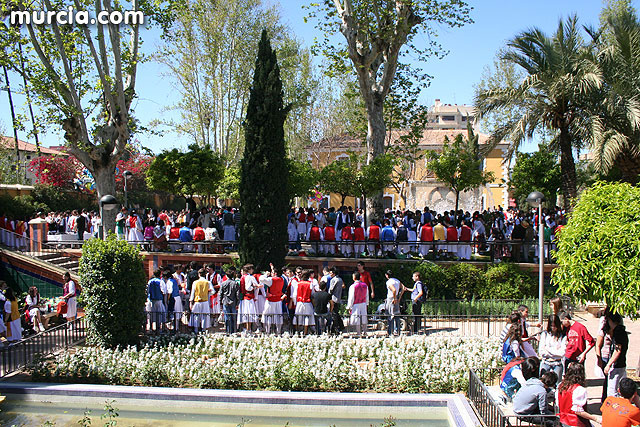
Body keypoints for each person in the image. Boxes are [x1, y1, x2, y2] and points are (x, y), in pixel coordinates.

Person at [602, 312, 628, 398]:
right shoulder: (619, 331)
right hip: (620, 364)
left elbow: (618, 350)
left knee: (612, 392)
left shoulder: (619, 332)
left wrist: (608, 364)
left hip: (617, 365)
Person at [539, 314, 567, 384]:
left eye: (555, 326)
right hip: (546, 362)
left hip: (557, 363)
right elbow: (541, 351)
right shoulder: (545, 334)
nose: (553, 328)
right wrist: (555, 352)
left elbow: (562, 353)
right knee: (543, 383)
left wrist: (548, 349)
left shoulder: (563, 336)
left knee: (557, 384)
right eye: (551, 326)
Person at [260, 264, 286, 334]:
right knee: (278, 317)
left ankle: (267, 331)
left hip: (270, 301)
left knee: (267, 316)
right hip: (278, 300)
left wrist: (266, 274)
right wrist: (272, 269)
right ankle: (278, 331)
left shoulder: (271, 279)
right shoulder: (282, 279)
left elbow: (261, 279)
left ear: (275, 273)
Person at [189, 268, 213, 333]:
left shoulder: (195, 282)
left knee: (196, 316)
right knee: (204, 316)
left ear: (199, 274)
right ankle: (203, 329)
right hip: (205, 301)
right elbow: (213, 291)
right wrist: (208, 293)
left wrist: (191, 302)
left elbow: (192, 293)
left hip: (197, 301)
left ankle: (196, 329)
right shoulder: (208, 282)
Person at [238, 264, 260, 333]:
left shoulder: (242, 277)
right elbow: (248, 288)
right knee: (249, 314)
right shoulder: (250, 277)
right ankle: (249, 329)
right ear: (249, 270)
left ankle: (245, 328)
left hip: (243, 298)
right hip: (249, 297)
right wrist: (255, 287)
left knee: (244, 314)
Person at [346, 271, 369, 337]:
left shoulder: (353, 286)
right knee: (364, 317)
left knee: (357, 318)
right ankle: (365, 331)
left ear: (354, 277)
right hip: (363, 303)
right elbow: (367, 295)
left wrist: (349, 306)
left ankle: (358, 332)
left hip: (356, 304)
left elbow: (351, 297)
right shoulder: (365, 285)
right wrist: (367, 303)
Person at [219, 267, 240, 335]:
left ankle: (228, 331)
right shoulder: (235, 283)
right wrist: (237, 303)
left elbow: (221, 294)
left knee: (227, 317)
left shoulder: (223, 283)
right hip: (233, 301)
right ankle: (234, 331)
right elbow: (237, 294)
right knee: (234, 316)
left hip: (225, 301)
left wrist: (220, 303)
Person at [294, 270, 315, 335]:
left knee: (298, 317)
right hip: (307, 303)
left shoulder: (298, 283)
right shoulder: (310, 284)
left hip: (299, 302)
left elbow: (295, 295)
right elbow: (312, 294)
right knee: (307, 318)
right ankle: (305, 333)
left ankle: (298, 332)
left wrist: (295, 303)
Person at [384, 270, 404, 336]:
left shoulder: (389, 282)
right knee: (397, 315)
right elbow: (403, 288)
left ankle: (390, 331)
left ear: (387, 275)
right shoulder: (397, 281)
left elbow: (394, 290)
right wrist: (399, 297)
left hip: (391, 298)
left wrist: (394, 298)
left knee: (390, 315)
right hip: (396, 298)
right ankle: (398, 330)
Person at [327, 267, 345, 334]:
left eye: (331, 272)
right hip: (338, 298)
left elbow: (331, 289)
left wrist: (328, 297)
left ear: (334, 273)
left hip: (333, 298)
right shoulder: (340, 279)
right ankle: (340, 326)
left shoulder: (333, 280)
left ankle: (336, 327)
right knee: (336, 313)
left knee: (334, 314)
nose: (330, 274)